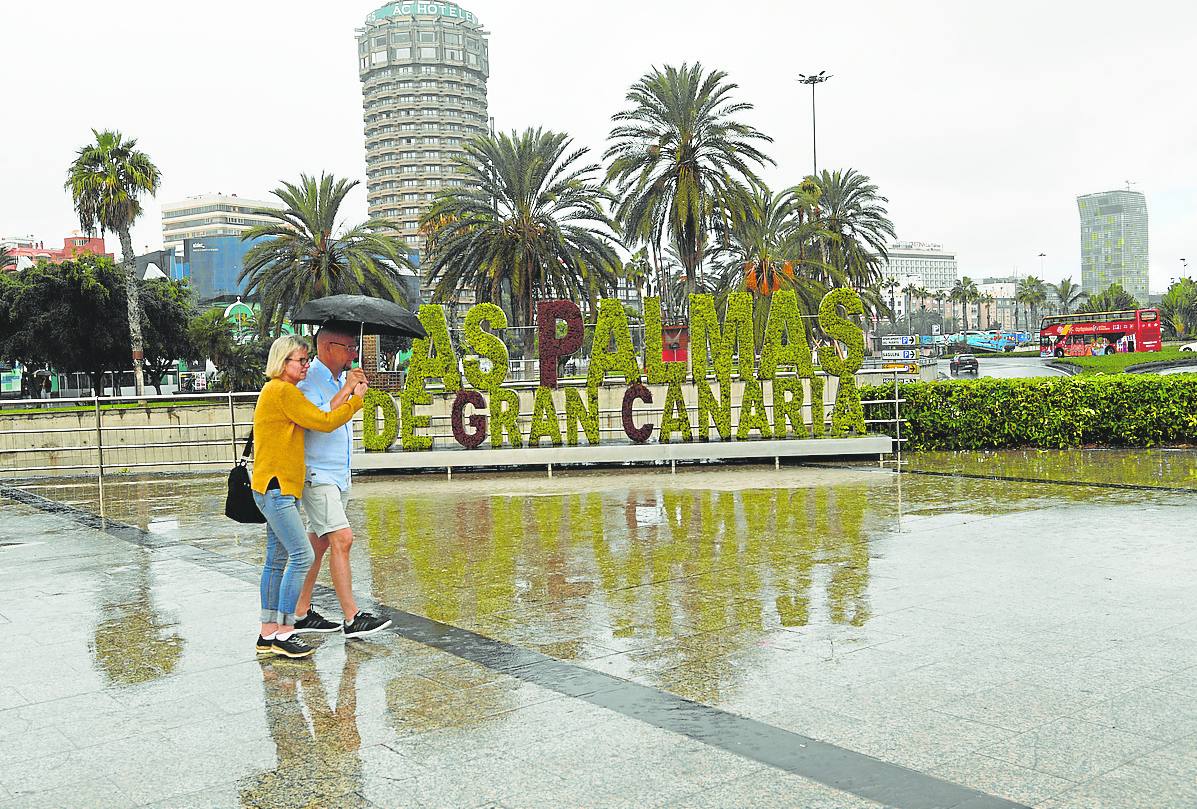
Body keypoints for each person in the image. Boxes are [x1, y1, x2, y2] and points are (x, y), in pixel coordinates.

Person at [251, 335, 366, 659]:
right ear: (282, 362)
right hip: (277, 489)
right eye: (300, 361)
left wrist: (346, 390)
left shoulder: (277, 391)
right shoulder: (284, 392)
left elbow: (320, 412)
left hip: (274, 487)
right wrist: (356, 401)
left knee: (275, 562)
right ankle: (285, 632)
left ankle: (267, 633)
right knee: (301, 556)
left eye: (305, 360)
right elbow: (325, 422)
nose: (305, 365)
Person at [291, 326, 392, 640]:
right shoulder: (309, 381)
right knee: (342, 539)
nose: (354, 353)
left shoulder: (338, 379)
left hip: (338, 473)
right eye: (348, 347)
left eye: (353, 346)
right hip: (318, 474)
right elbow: (318, 419)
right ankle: (352, 617)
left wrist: (352, 390)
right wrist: (348, 390)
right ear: (327, 347)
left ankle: (299, 612)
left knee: (319, 543)